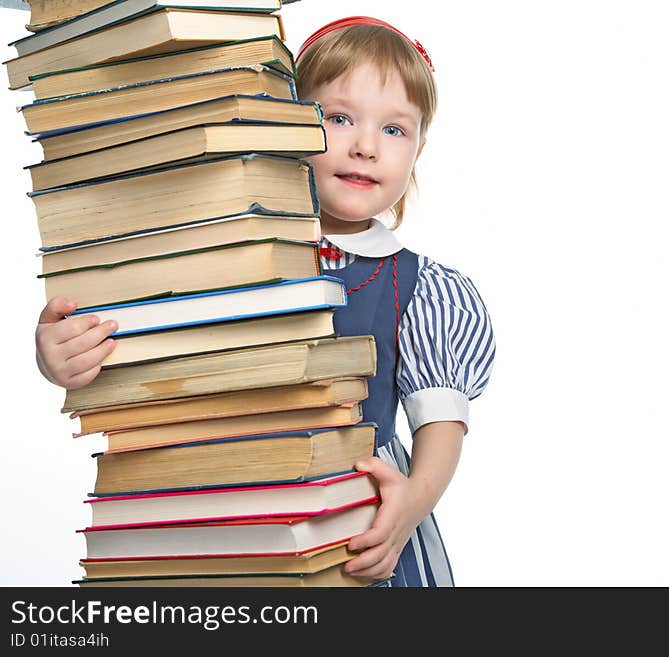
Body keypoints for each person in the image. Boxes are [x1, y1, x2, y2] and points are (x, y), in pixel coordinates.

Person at [33, 15, 496, 587]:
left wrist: (413, 503)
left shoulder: (420, 287)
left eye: (395, 129)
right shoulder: (223, 248)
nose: (366, 146)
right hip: (221, 506)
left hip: (356, 528)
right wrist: (58, 353)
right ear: (288, 124)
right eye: (339, 117)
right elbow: (139, 338)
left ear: (420, 147)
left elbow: (441, 421)